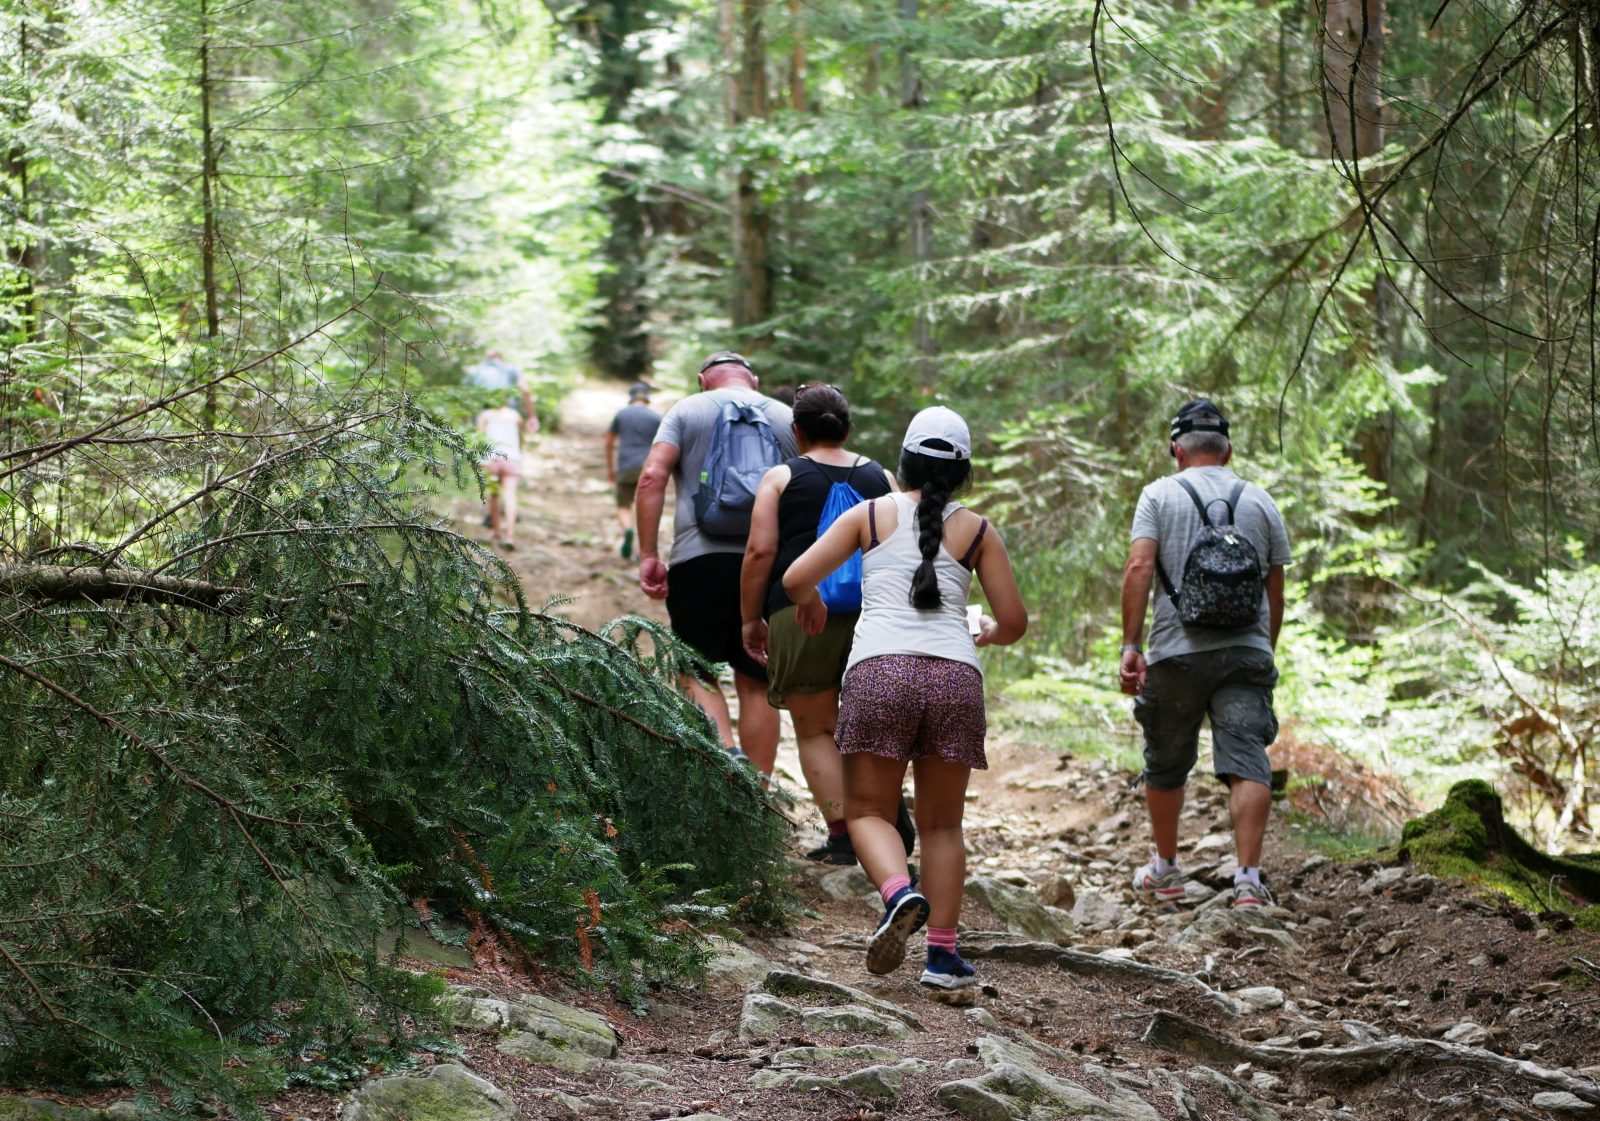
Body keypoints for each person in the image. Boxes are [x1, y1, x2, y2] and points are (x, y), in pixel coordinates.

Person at [783, 406, 1027, 991]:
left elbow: (795, 579)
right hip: (953, 679)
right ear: (964, 472)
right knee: (944, 826)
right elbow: (1014, 621)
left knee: (867, 811)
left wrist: (812, 604)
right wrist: (988, 631)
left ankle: (899, 892)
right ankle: (942, 956)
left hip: (880, 673)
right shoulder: (980, 531)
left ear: (902, 462)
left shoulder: (869, 515)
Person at [1118, 399, 1291, 909]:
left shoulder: (1158, 495)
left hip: (1176, 649)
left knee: (1166, 760)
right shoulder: (1261, 500)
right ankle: (1248, 882)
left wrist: (1131, 645)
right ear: (1228, 450)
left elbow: (1138, 568)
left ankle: (1167, 870)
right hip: (1246, 650)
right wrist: (1262, 648)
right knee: (1247, 760)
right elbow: (1275, 590)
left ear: (1176, 450)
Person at [738, 384, 909, 866]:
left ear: (797, 432)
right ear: (848, 428)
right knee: (871, 725)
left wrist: (752, 618)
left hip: (798, 611)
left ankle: (843, 836)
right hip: (875, 613)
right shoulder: (882, 476)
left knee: (815, 729)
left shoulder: (780, 478)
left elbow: (760, 553)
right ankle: (884, 814)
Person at [635, 352, 797, 772]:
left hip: (697, 559)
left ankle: (726, 752)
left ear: (703, 380)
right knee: (757, 680)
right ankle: (758, 795)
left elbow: (652, 476)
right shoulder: (785, 416)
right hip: (768, 562)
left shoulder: (686, 409)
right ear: (754, 380)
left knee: (695, 666)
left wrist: (649, 554)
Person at [606, 381, 661, 560]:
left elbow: (609, 442)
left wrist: (611, 468)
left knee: (623, 505)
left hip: (626, 466)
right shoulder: (656, 417)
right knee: (645, 508)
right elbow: (663, 446)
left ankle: (628, 530)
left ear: (630, 397)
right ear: (647, 398)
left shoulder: (621, 414)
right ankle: (642, 551)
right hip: (649, 469)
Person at [476, 396, 525, 550]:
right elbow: (521, 439)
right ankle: (510, 535)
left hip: (491, 461)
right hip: (512, 459)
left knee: (494, 496)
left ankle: (497, 532)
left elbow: (479, 440)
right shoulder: (515, 416)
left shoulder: (484, 416)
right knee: (510, 496)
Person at [465, 350, 537, 433]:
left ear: (487, 359)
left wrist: (465, 424)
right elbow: (526, 391)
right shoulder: (510, 369)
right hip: (507, 418)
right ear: (501, 359)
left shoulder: (475, 371)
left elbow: (463, 397)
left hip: (481, 420)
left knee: (481, 444)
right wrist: (532, 416)